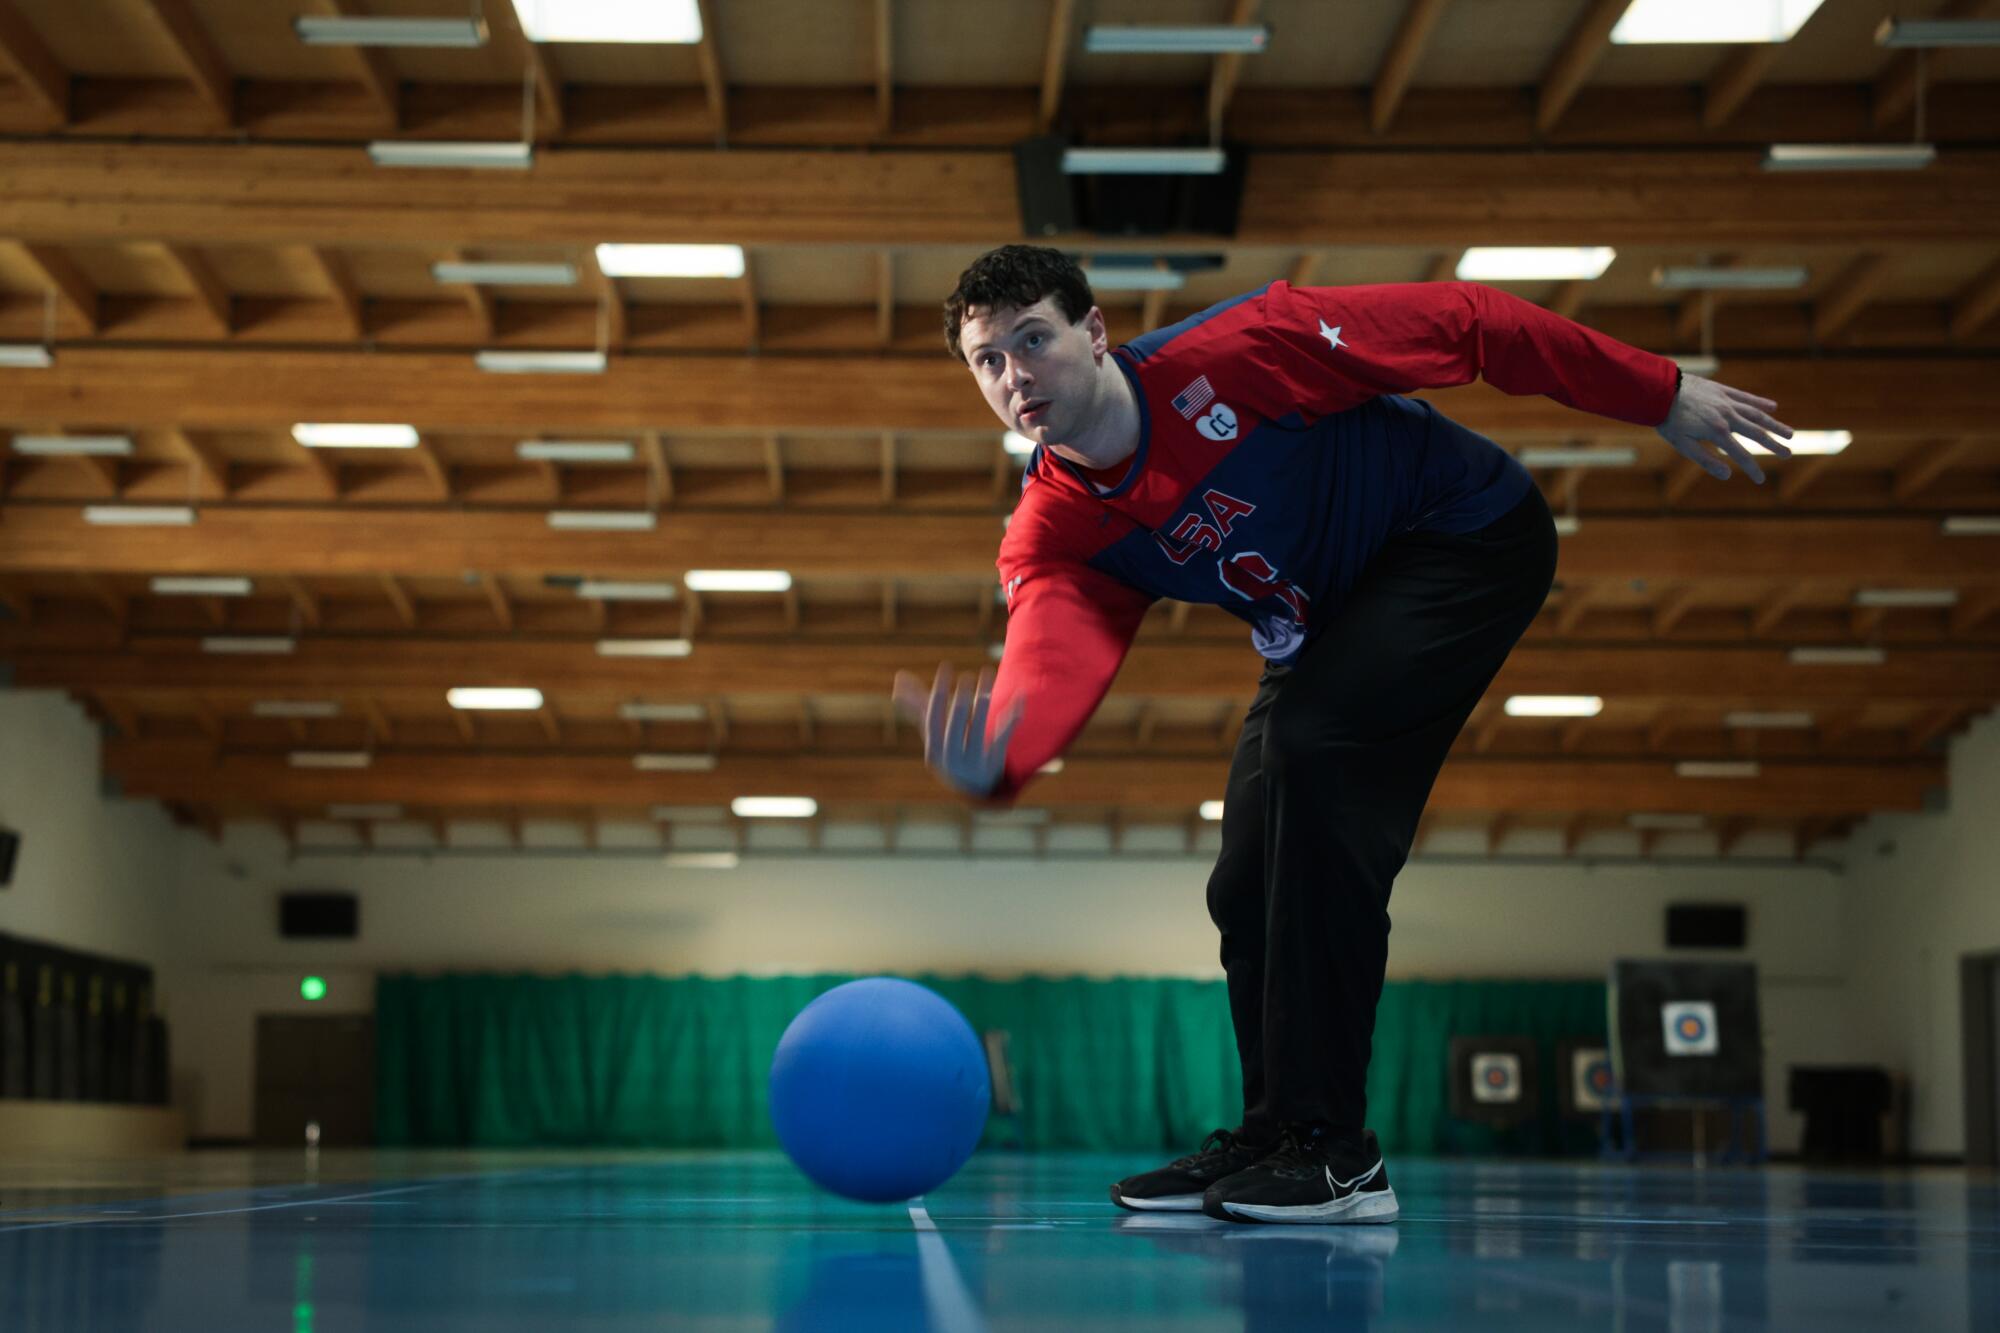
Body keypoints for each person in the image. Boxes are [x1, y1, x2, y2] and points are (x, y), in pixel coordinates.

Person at [892, 246, 1791, 1225]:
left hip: (1460, 539)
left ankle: (1336, 1153)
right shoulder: (1054, 525)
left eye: (1034, 339)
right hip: (1316, 627)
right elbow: (1051, 651)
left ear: (1094, 332)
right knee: (1244, 870)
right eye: (987, 360)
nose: (1015, 375)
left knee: (1311, 754)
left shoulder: (1245, 350)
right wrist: (1003, 755)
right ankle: (1275, 1132)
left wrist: (1653, 392)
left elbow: (1470, 320)